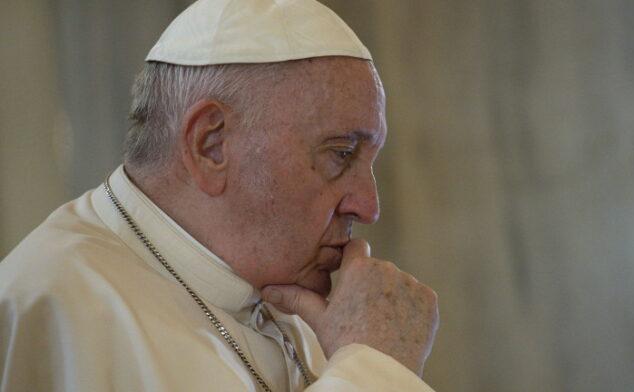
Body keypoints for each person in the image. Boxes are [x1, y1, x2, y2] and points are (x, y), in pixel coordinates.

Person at [0, 0, 439, 390]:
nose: (368, 205)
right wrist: (375, 369)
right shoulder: (57, 308)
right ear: (210, 143)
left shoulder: (293, 305)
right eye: (341, 154)